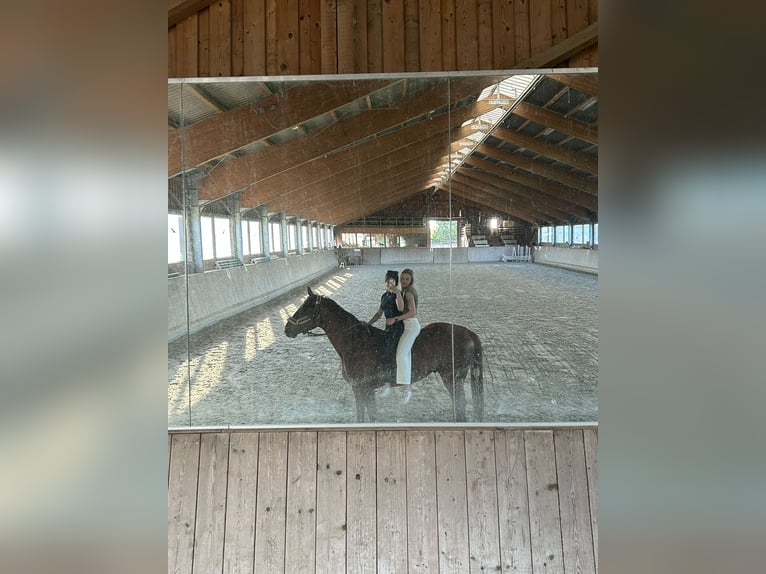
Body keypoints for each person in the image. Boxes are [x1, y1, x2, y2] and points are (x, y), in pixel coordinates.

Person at [386, 268, 420, 403]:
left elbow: (413, 312)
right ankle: (406, 385)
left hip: (411, 326)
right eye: (403, 279)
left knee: (401, 355)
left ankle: (407, 390)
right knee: (406, 355)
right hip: (406, 326)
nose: (404, 281)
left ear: (411, 280)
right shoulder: (403, 291)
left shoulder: (409, 293)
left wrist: (395, 319)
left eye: (407, 279)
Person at [366, 270, 404, 389]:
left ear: (395, 282)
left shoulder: (398, 295)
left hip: (397, 327)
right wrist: (369, 323)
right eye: (387, 281)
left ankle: (388, 381)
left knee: (387, 352)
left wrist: (397, 292)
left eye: (392, 281)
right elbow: (378, 313)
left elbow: (401, 308)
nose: (389, 283)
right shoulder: (384, 295)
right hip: (388, 327)